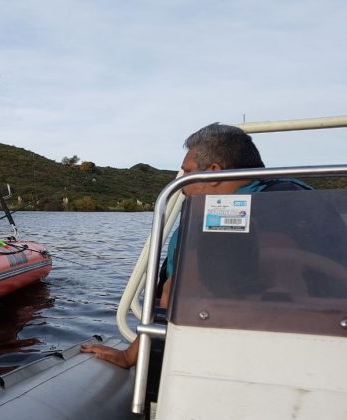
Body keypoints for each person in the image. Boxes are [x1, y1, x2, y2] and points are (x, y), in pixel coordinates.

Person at [80, 122, 310, 368]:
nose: (183, 186)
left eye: (187, 173)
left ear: (212, 172)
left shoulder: (222, 216)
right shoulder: (300, 202)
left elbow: (172, 290)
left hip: (220, 351)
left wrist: (129, 357)